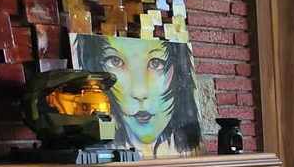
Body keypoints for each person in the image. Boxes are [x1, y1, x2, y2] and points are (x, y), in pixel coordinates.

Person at [72, 35, 201, 156]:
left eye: (155, 63)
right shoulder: (99, 141)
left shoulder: (189, 150)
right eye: (115, 61)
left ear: (180, 70)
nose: (139, 92)